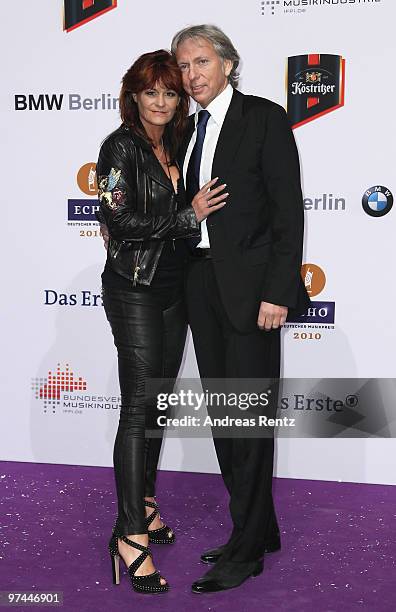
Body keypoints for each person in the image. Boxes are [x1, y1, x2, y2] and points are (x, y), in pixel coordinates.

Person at [171, 25, 310, 593]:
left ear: (228, 63)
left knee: (248, 420)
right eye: (182, 66)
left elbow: (288, 211)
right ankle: (260, 527)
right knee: (227, 417)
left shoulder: (264, 117)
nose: (190, 75)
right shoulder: (183, 129)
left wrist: (279, 291)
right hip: (201, 286)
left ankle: (246, 549)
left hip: (254, 293)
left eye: (200, 62)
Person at [95, 49, 228, 595]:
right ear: (134, 95)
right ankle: (128, 536)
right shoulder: (117, 147)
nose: (162, 102)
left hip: (174, 289)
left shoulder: (176, 143)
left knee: (159, 404)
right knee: (138, 407)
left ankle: (145, 505)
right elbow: (117, 218)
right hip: (133, 289)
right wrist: (187, 215)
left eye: (171, 93)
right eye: (152, 92)